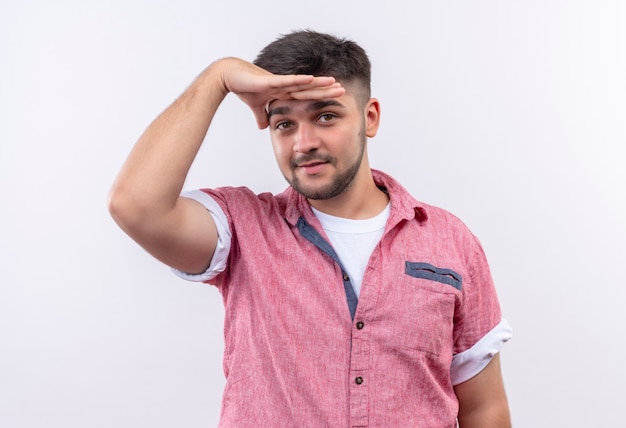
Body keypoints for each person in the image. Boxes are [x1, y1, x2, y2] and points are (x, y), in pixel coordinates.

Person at [108, 29, 512, 427]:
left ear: (369, 118)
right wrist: (218, 77)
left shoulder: (450, 240)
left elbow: (483, 409)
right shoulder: (241, 229)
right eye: (284, 124)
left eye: (325, 116)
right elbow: (135, 205)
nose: (303, 143)